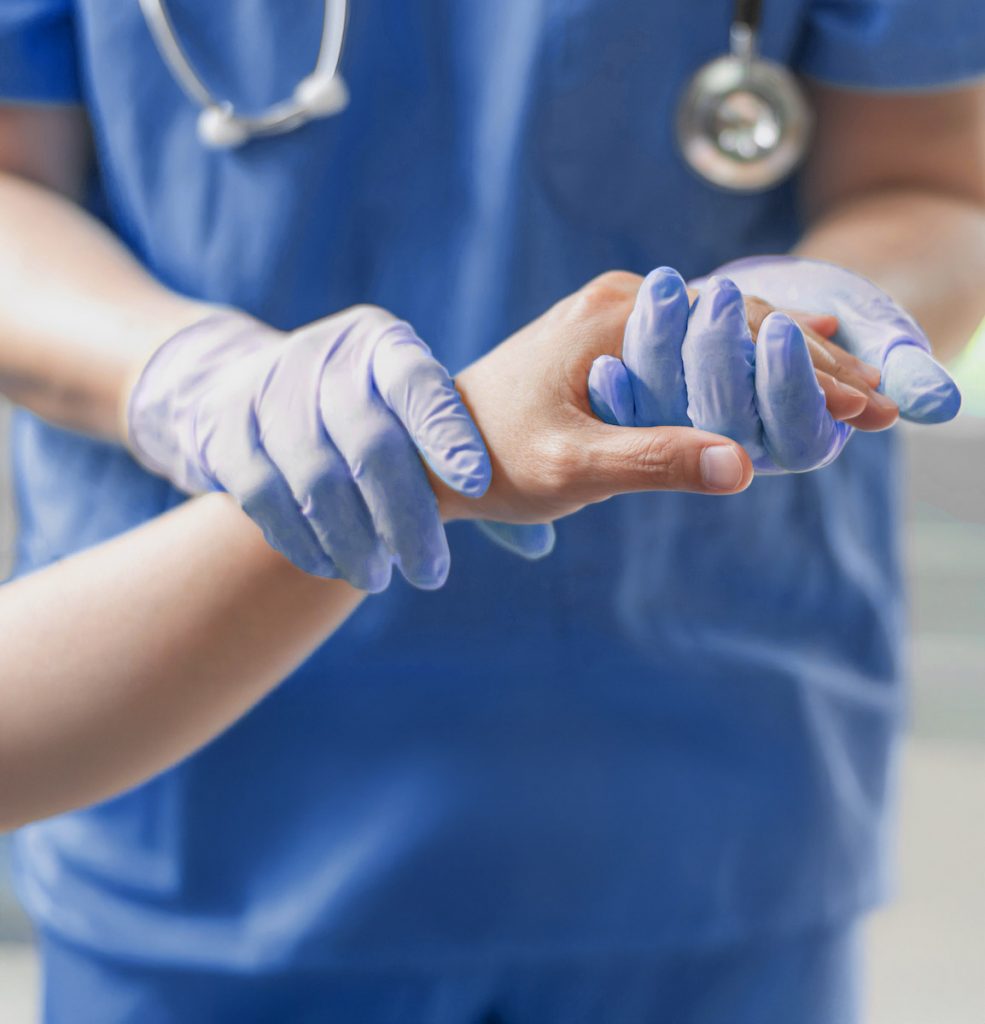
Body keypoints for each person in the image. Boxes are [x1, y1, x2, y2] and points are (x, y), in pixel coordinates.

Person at [0, 3, 983, 1023]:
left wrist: (828, 316)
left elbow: (919, 171)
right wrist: (182, 374)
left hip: (701, 782)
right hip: (199, 802)